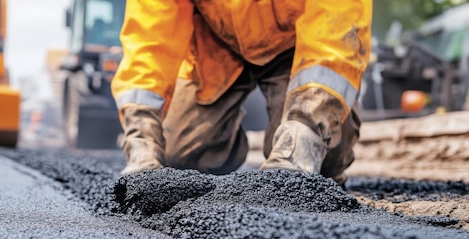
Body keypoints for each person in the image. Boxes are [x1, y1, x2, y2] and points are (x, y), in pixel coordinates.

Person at [111, 1, 372, 185]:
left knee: (313, 161)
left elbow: (337, 26)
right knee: (177, 154)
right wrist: (140, 132)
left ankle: (304, 136)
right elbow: (150, 41)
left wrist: (308, 124)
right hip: (217, 47)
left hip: (296, 45)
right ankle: (225, 142)